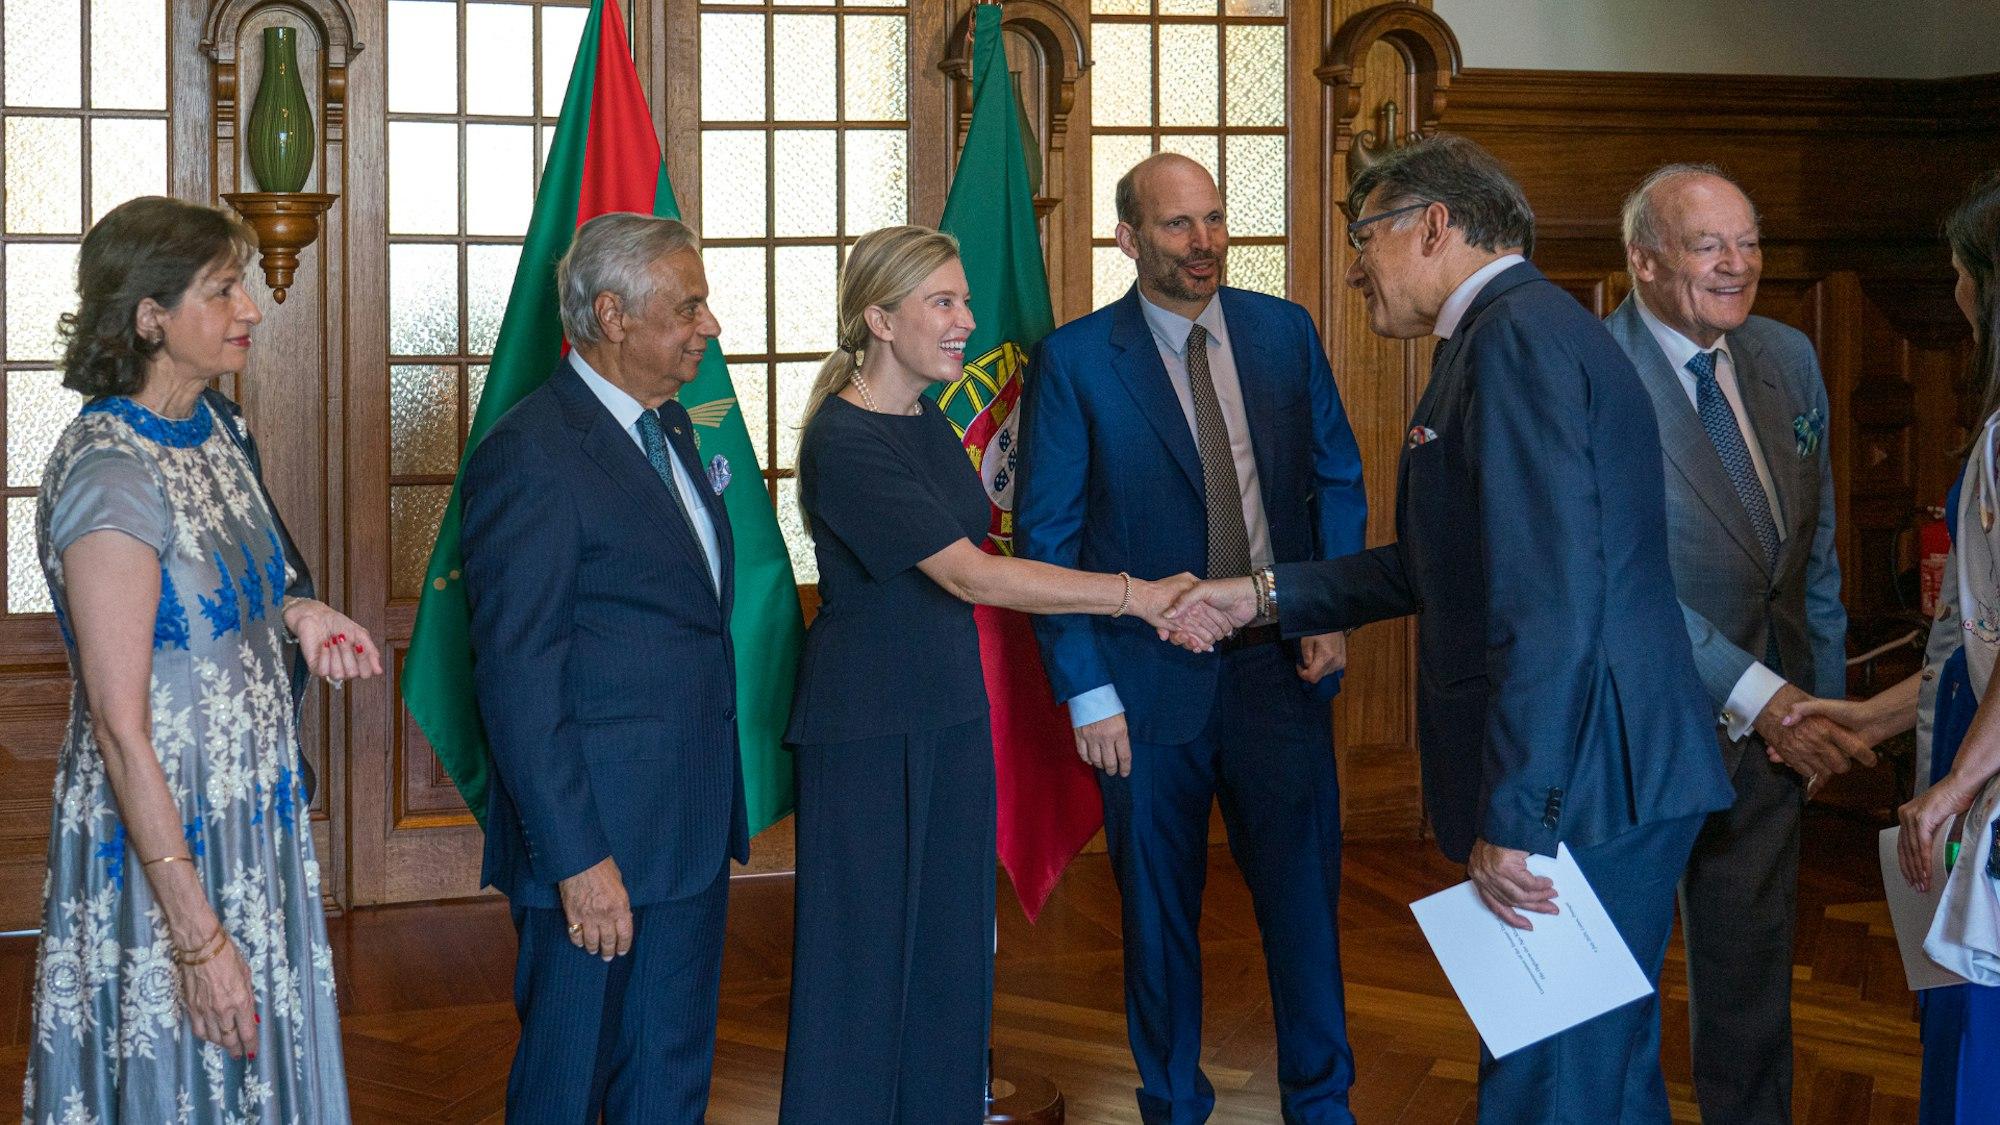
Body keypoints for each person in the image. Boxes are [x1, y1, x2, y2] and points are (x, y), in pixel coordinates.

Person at [1168, 135, 1737, 1123]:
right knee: (1596, 1078)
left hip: (1585, 779)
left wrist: (1517, 821)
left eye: (1362, 236)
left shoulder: (1512, 343)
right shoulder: (1519, 331)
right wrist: (1257, 598)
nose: (1351, 265)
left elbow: (1547, 600)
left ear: (1431, 226)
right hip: (1609, 763)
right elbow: (1450, 564)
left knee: (1548, 1089)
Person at [778, 224, 1225, 1124]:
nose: (967, 322)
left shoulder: (926, 417)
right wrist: (1135, 597)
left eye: (967, 300)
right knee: (861, 963)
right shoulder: (845, 437)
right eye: (943, 301)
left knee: (949, 956)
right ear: (878, 317)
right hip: (867, 727)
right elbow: (973, 573)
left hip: (947, 708)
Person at [1015, 153, 1369, 1124]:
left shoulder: (1283, 334)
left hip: (1276, 672)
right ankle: (1171, 1103)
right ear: (1127, 239)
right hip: (1141, 688)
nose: (1203, 241)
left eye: (1213, 219)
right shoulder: (1078, 360)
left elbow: (1335, 480)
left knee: (1302, 909)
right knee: (1157, 922)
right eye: (1176, 225)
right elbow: (1045, 542)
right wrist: (1085, 690)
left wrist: (1324, 608)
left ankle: (1320, 1103)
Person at [25, 196, 380, 1122]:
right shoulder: (111, 473)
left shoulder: (218, 428)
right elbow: (119, 724)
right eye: (223, 291)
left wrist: (296, 612)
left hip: (251, 823)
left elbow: (207, 598)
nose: (250, 310)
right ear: (150, 315)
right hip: (162, 839)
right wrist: (194, 937)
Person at [1605, 163, 1873, 1123]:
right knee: (1619, 985)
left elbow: (1815, 550)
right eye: (1708, 243)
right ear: (1642, 259)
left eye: (1750, 241)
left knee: (1754, 976)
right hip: (1642, 726)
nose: (1738, 264)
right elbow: (1618, 582)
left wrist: (1823, 709)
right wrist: (1771, 698)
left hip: (1779, 736)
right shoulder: (1595, 377)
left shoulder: (1787, 357)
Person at [460, 212, 741, 1121]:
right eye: (688, 305)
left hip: (686, 833)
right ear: (612, 315)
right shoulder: (531, 454)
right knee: (569, 1082)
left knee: (667, 1078)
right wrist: (579, 859)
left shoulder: (672, 430)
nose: (710, 325)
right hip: (595, 848)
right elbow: (519, 677)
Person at [1786, 168, 2000, 1124]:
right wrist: (1864, 713)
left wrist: (1955, 784)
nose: (1952, 292)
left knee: (1975, 1044)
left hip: (1984, 772)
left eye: (1959, 271)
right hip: (1967, 730)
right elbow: (1970, 638)